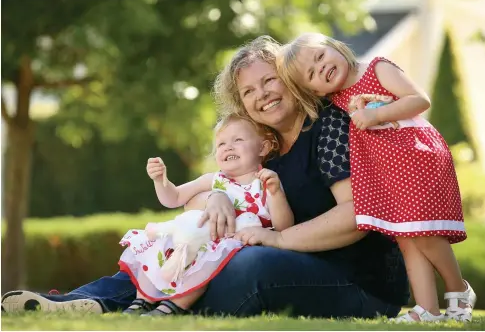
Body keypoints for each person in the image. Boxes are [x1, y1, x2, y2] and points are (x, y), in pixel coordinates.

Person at [1, 35, 409, 319]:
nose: (262, 94)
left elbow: (356, 216)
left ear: (290, 79)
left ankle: (145, 309)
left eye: (270, 81)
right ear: (242, 105)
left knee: (251, 264)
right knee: (180, 245)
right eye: (249, 92)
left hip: (358, 283)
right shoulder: (260, 147)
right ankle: (85, 302)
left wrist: (279, 238)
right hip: (292, 265)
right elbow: (208, 192)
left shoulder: (329, 125)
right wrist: (216, 199)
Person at [275, 32, 476, 322]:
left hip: (416, 158)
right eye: (311, 74)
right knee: (407, 239)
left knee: (428, 236)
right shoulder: (337, 100)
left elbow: (419, 99)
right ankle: (427, 309)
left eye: (320, 57)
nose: (321, 68)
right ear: (314, 91)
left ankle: (459, 292)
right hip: (388, 172)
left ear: (335, 47)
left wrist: (375, 116)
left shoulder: (376, 68)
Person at [118, 114, 293, 316]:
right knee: (160, 245)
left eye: (238, 140)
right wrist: (160, 180)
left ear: (262, 148)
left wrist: (276, 193)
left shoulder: (265, 183)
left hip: (227, 245)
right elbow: (174, 198)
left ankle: (173, 306)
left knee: (206, 261)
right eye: (220, 144)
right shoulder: (213, 180)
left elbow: (283, 228)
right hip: (195, 236)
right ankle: (142, 301)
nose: (228, 147)